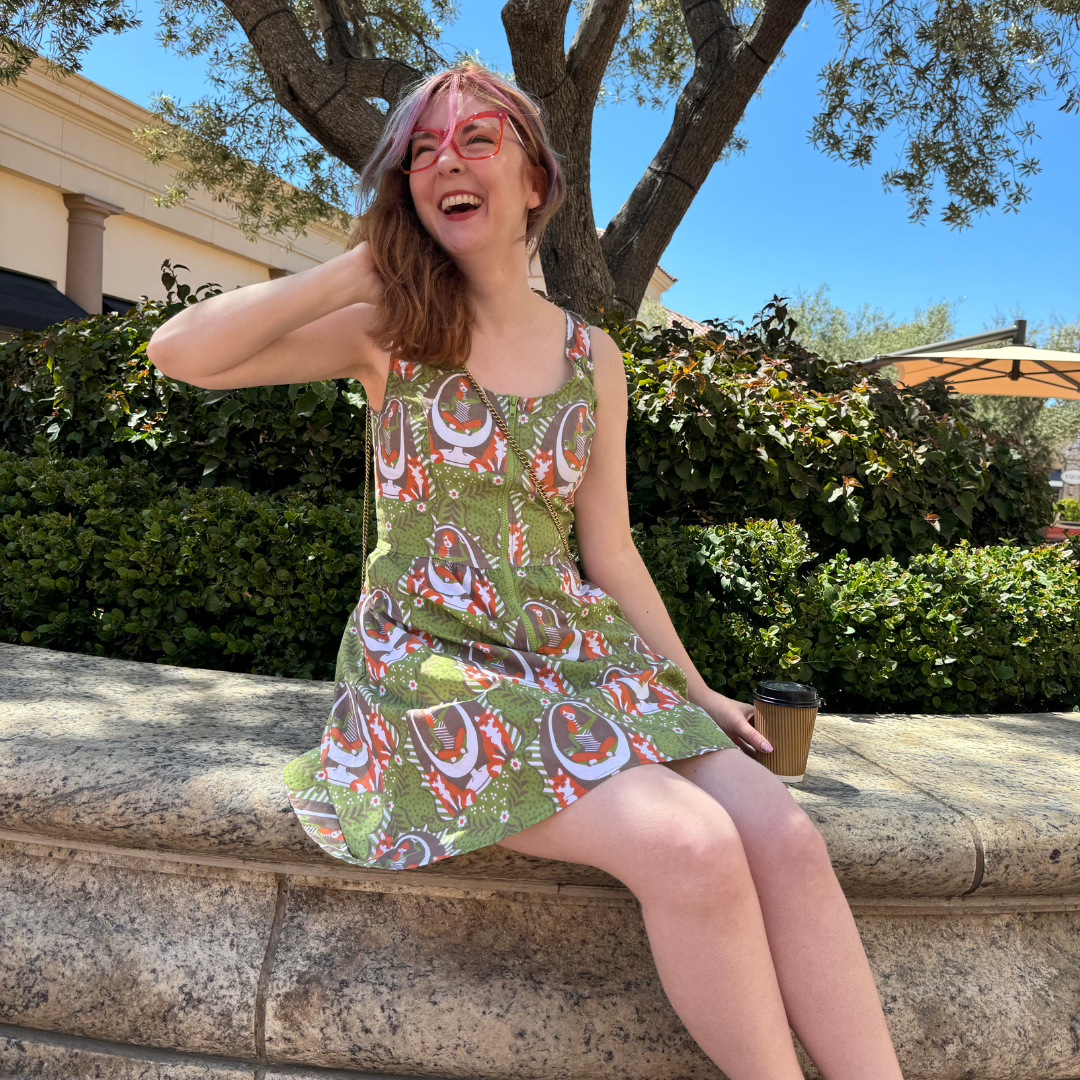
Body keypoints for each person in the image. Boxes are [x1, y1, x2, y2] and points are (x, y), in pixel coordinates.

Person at [148, 60, 904, 1080]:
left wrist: (692, 688)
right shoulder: (391, 331)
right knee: (692, 847)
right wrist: (355, 266)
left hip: (577, 655)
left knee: (785, 837)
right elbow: (179, 352)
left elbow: (612, 552)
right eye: (421, 152)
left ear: (538, 182)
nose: (444, 162)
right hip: (431, 671)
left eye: (475, 140)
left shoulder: (594, 356)